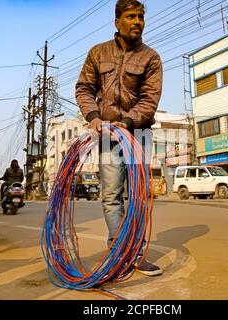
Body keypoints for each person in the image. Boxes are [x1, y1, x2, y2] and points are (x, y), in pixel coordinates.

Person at [76, 0, 163, 276]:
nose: (137, 21)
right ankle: (120, 251)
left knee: (137, 195)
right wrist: (94, 118)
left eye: (140, 17)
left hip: (138, 133)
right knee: (111, 195)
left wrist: (127, 122)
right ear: (117, 22)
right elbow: (84, 88)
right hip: (105, 133)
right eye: (130, 17)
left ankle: (133, 254)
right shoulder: (97, 53)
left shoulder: (151, 57)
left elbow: (150, 99)